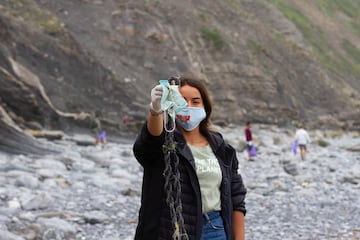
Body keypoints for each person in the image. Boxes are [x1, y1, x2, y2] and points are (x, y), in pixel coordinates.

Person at [133, 73, 247, 240]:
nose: (188, 106)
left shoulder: (221, 148)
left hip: (215, 229)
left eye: (195, 101)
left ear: (205, 107)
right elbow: (149, 142)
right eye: (182, 100)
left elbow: (236, 198)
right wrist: (156, 109)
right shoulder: (165, 146)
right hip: (172, 230)